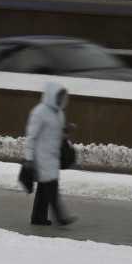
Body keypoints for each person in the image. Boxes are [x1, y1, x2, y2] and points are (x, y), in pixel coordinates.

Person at [22, 79, 76, 228]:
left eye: (63, 97)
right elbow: (31, 136)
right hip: (41, 156)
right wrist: (29, 158)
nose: (62, 100)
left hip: (53, 155)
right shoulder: (39, 112)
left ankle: (38, 218)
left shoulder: (59, 113)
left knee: (44, 188)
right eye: (59, 96)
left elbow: (56, 132)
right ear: (52, 95)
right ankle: (61, 217)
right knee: (51, 186)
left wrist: (66, 131)